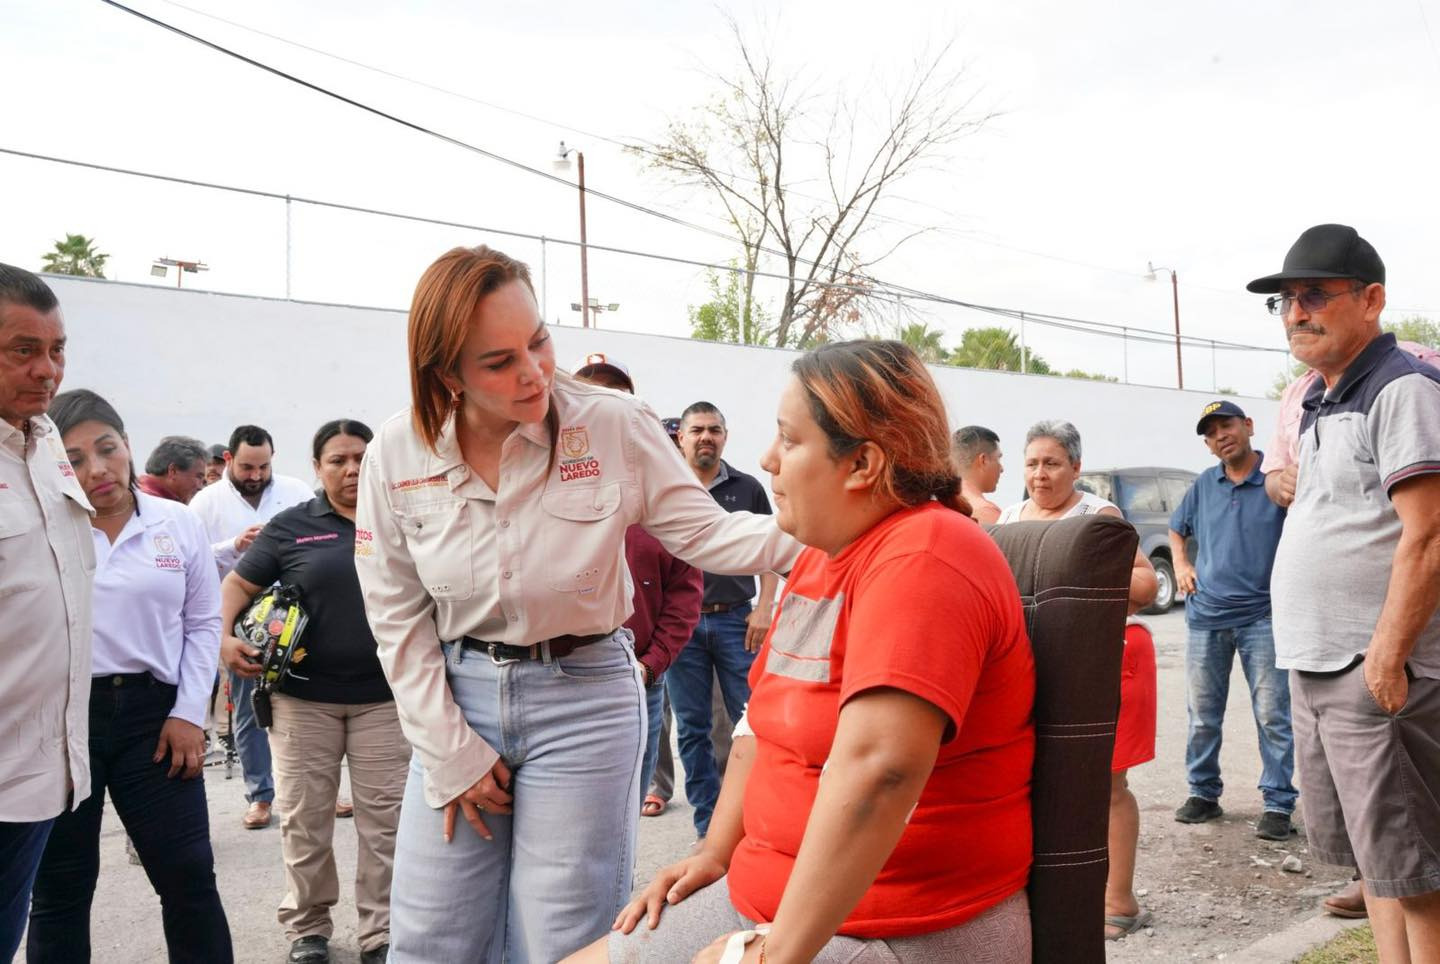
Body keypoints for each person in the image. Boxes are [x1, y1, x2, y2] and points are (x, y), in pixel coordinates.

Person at [352, 244, 798, 963]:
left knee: (563, 938)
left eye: (537, 341)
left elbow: (712, 534)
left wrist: (851, 532)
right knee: (432, 936)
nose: (532, 372)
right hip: (455, 696)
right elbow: (394, 613)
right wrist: (448, 748)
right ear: (447, 374)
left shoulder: (614, 424)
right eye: (498, 361)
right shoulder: (396, 453)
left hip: (585, 698)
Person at [564, 339, 1035, 964]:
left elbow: (879, 773)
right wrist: (713, 853)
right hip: (772, 899)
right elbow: (760, 728)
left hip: (896, 923)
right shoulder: (822, 555)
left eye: (788, 440)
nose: (767, 459)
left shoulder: (925, 556)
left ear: (862, 464)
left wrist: (767, 956)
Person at [1250, 223, 1440, 962]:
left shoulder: (1403, 390)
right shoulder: (1319, 401)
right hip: (1320, 667)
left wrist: (1387, 660)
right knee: (1380, 866)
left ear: (1371, 300)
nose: (1296, 311)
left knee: (1419, 872)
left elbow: (1427, 538)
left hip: (1375, 672)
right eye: (1287, 300)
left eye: (1314, 295)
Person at [27, 389, 232, 963]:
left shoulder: (178, 523)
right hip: (63, 721)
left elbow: (202, 620)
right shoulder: (44, 528)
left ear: (128, 446)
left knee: (188, 876)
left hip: (157, 719)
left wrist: (191, 713)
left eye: (107, 448)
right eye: (74, 458)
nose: (97, 469)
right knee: (60, 889)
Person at [219, 419, 406, 964]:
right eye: (337, 460)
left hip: (386, 699)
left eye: (360, 458)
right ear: (317, 467)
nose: (351, 469)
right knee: (305, 819)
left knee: (387, 823)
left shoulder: (399, 518)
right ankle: (308, 928)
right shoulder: (292, 526)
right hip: (301, 702)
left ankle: (382, 931)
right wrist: (225, 639)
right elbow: (237, 583)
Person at [995, 419, 1158, 941]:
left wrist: (1077, 585)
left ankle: (1119, 900)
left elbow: (1147, 585)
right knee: (1034, 781)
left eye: (1052, 463)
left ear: (1076, 467)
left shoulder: (1097, 515)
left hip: (1101, 664)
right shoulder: (1009, 517)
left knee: (1107, 783)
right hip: (1032, 666)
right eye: (1031, 464)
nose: (1040, 475)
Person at [0, 265, 94, 962]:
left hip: (40, 768)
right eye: (23, 350)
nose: (48, 371)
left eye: (57, 349)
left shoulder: (46, 442)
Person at [573, 354, 703, 811]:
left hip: (639, 679)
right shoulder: (544, 480)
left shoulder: (662, 489)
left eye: (617, 394)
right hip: (567, 680)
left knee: (622, 811)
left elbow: (686, 590)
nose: (605, 404)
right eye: (591, 391)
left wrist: (652, 663)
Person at [1168, 400, 1295, 840]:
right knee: (1203, 715)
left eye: (1227, 425)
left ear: (1248, 426)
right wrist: (1181, 564)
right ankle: (1204, 793)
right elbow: (1176, 528)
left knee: (1272, 715)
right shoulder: (1204, 484)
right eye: (1211, 433)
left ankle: (1278, 803)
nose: (1221, 436)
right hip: (1206, 618)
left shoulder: (1276, 482)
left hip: (1263, 617)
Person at [189, 424, 314, 829]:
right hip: (243, 621)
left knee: (316, 707)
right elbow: (189, 559)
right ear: (228, 459)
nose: (256, 475)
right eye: (247, 466)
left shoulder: (295, 492)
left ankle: (318, 794)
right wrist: (233, 546)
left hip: (302, 619)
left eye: (263, 466)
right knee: (250, 709)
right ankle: (260, 796)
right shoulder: (206, 503)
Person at [669, 401, 779, 840]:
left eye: (714, 429)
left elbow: (772, 550)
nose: (706, 437)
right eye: (697, 430)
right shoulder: (667, 488)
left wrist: (766, 607)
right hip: (685, 626)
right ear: (681, 437)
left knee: (750, 721)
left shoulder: (747, 488)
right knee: (693, 727)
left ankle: (753, 822)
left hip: (738, 621)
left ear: (725, 436)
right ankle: (708, 826)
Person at [951, 424, 1004, 524]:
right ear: (983, 460)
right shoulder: (987, 513)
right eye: (998, 459)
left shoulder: (936, 508)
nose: (1001, 469)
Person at [138, 435, 208, 504]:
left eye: (203, 482)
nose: (200, 487)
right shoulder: (154, 505)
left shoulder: (136, 496)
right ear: (173, 471)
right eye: (199, 477)